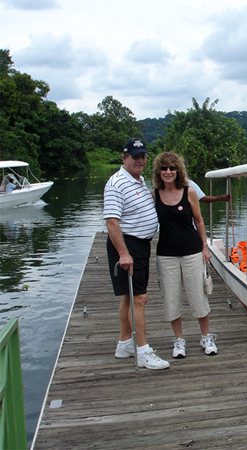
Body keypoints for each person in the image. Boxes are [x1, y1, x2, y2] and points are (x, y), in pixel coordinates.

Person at [104, 138, 170, 370]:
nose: (140, 160)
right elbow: (112, 221)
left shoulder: (138, 180)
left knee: (128, 296)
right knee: (139, 298)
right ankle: (143, 352)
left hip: (140, 245)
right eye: (135, 157)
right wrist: (124, 253)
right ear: (124, 159)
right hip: (128, 245)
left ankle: (125, 344)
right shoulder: (116, 183)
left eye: (143, 156)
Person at [151, 152, 217, 358]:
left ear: (178, 171)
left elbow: (199, 221)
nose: (168, 172)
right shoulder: (154, 195)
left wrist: (205, 247)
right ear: (158, 172)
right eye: (164, 168)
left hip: (192, 252)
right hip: (166, 254)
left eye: (172, 168)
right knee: (171, 299)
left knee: (198, 295)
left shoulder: (189, 192)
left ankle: (206, 337)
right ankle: (179, 341)